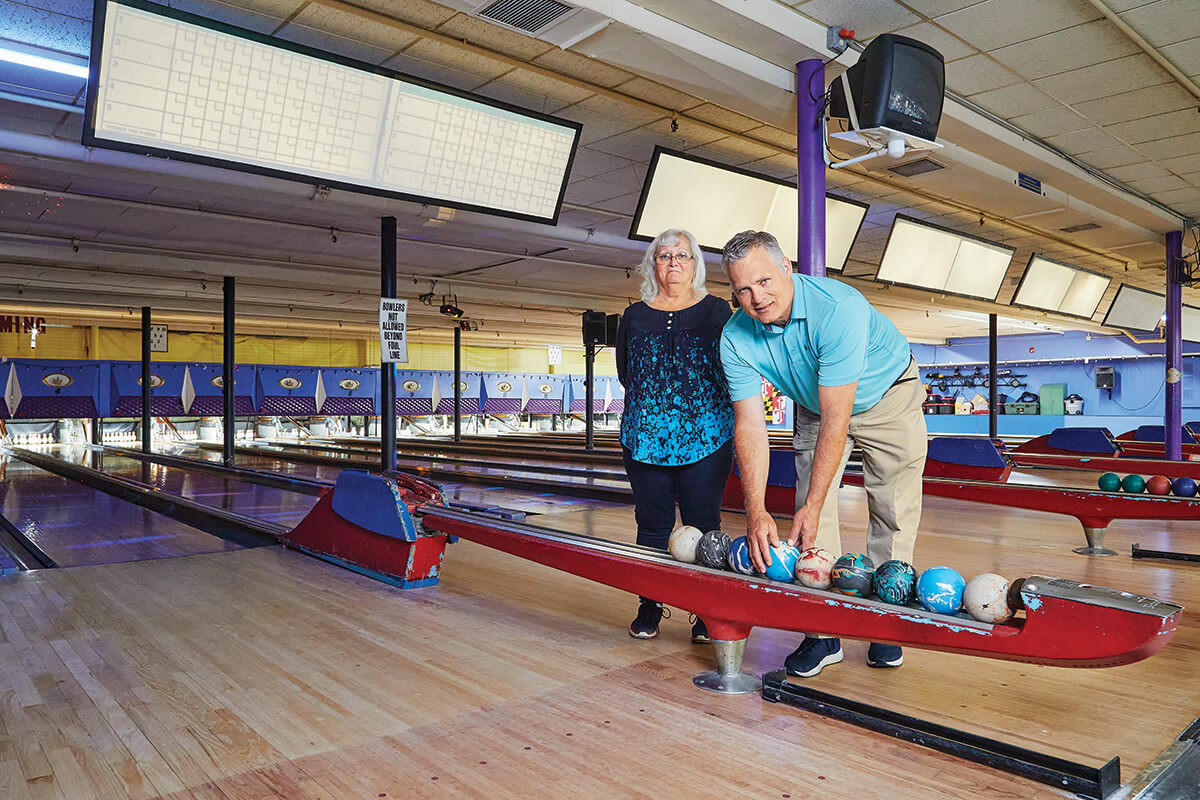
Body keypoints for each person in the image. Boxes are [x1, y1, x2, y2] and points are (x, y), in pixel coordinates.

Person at [718, 230, 926, 677]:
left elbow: (840, 417)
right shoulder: (735, 336)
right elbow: (751, 425)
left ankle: (885, 623)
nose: (757, 298)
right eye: (743, 290)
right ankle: (822, 631)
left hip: (889, 395)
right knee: (809, 520)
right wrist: (755, 510)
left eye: (765, 281)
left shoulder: (837, 309)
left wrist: (814, 502)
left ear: (788, 268)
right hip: (815, 404)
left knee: (891, 509)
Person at [616, 228, 735, 642]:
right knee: (651, 526)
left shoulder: (717, 312)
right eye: (664, 256)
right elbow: (625, 374)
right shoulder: (634, 316)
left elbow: (732, 370)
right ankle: (650, 604)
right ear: (653, 265)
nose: (673, 263)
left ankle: (706, 611)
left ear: (695, 264)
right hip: (645, 437)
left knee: (705, 524)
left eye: (681, 255)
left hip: (707, 436)